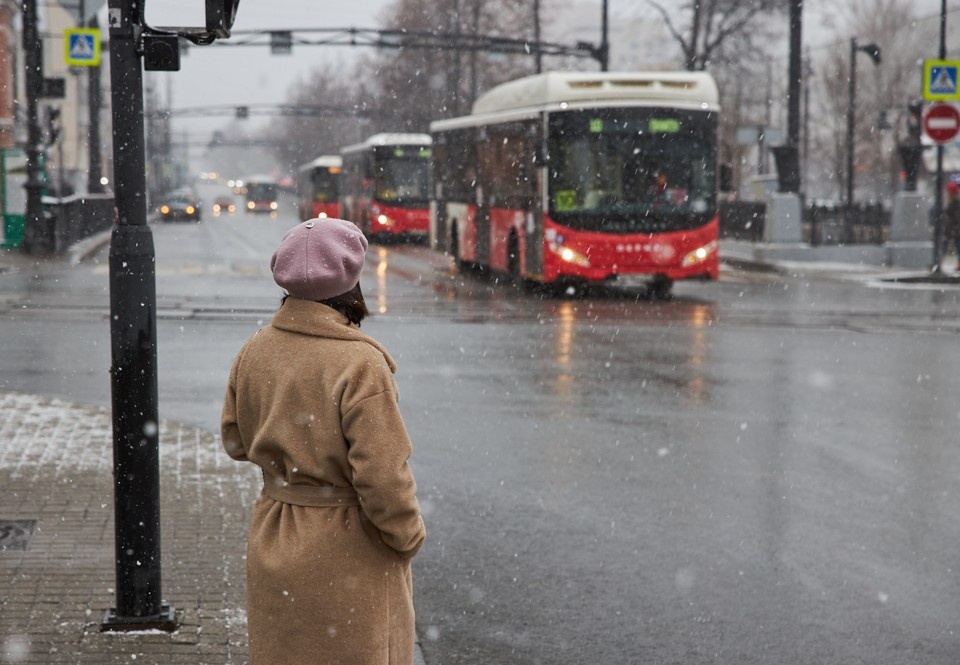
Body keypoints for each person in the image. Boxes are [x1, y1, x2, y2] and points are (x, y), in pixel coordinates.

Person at [221, 218, 426, 665]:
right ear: (350, 283)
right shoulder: (360, 364)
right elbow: (384, 477)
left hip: (275, 535)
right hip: (349, 550)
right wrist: (406, 536)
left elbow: (235, 440)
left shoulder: (255, 349)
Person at [945, 182, 960, 270]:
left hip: (956, 232)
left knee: (958, 247)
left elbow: (956, 218)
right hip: (954, 231)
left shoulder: (955, 204)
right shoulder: (952, 204)